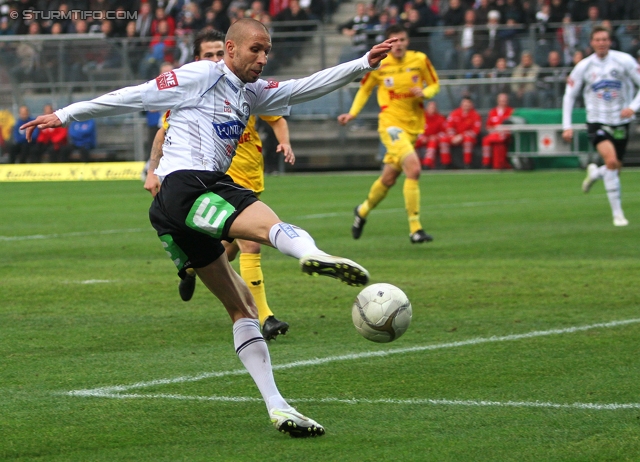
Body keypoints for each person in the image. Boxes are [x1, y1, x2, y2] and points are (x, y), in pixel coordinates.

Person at [24, 18, 392, 438]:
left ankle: (278, 406)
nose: (262, 58)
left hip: (173, 206)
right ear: (231, 49)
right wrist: (65, 114)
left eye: (267, 50)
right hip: (189, 184)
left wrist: (362, 63)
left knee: (242, 308)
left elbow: (304, 86)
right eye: (255, 49)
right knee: (265, 222)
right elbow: (135, 95)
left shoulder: (250, 93)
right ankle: (310, 254)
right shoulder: (201, 74)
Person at [144, 30, 291, 341]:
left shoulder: (246, 86)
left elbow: (276, 117)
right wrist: (152, 171)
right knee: (252, 243)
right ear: (199, 60)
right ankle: (265, 316)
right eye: (208, 55)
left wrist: (285, 143)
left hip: (251, 174)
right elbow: (162, 134)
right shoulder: (193, 92)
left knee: (229, 250)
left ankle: (192, 267)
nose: (214, 59)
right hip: (212, 181)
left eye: (217, 53)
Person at [337, 25, 440, 244]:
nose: (399, 44)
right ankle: (415, 229)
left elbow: (434, 84)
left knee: (389, 178)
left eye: (402, 39)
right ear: (388, 44)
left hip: (413, 125)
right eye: (395, 41)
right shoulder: (380, 65)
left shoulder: (420, 60)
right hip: (390, 125)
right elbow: (364, 89)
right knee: (414, 168)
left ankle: (362, 211)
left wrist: (426, 92)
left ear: (407, 41)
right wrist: (353, 114)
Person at [562, 25, 640, 227]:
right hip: (597, 120)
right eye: (597, 40)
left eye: (605, 39)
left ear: (610, 41)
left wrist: (633, 107)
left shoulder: (624, 61)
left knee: (615, 168)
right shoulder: (584, 66)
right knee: (612, 161)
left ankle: (596, 173)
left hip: (621, 121)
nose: (601, 43)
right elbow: (569, 95)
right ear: (592, 43)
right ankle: (618, 215)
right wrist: (566, 125)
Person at [440, 96, 482, 168]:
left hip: (467, 138)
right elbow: (449, 126)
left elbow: (475, 131)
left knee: (468, 140)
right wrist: (453, 137)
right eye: (465, 103)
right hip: (454, 137)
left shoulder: (475, 115)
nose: (466, 105)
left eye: (468, 104)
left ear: (471, 105)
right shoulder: (454, 113)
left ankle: (467, 163)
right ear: (461, 104)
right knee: (443, 140)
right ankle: (446, 164)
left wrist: (462, 136)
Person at [481, 92, 513, 169]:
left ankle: (500, 163)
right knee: (486, 140)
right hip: (495, 133)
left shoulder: (511, 111)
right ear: (498, 101)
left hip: (506, 134)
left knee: (497, 139)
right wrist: (494, 130)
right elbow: (488, 126)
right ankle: (487, 163)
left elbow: (512, 125)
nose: (503, 102)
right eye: (501, 100)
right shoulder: (492, 112)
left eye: (504, 100)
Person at [414, 100, 447, 169]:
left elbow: (444, 132)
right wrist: (422, 137)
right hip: (422, 138)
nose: (432, 108)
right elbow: (416, 129)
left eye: (434, 107)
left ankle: (427, 163)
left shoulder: (440, 118)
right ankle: (416, 163)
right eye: (430, 107)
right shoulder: (421, 117)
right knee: (412, 142)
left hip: (434, 140)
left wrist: (436, 136)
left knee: (433, 142)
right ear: (427, 107)